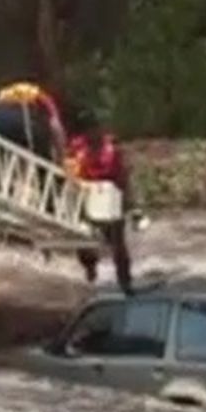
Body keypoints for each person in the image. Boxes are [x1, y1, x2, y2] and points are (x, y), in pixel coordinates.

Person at [67, 123, 134, 295]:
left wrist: (127, 199)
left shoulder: (112, 148)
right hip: (86, 196)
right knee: (81, 238)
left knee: (118, 243)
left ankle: (125, 281)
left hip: (110, 197)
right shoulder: (77, 148)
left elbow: (123, 174)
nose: (93, 135)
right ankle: (90, 268)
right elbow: (70, 172)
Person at [0, 81, 67, 161]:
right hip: (12, 112)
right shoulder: (42, 98)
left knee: (18, 143)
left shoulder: (11, 92)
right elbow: (55, 125)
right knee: (35, 138)